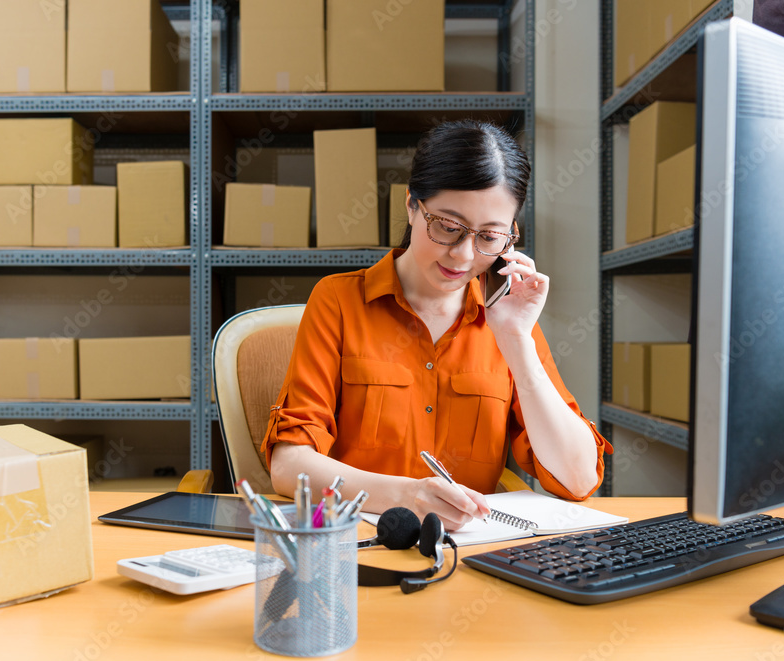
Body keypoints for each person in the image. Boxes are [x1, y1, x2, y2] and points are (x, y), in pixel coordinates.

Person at [260, 120, 612, 531]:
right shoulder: (338, 301)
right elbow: (288, 465)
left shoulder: (509, 320)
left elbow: (579, 479)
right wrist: (405, 496)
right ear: (412, 205)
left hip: (474, 557)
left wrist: (516, 341)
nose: (463, 256)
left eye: (490, 236)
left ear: (511, 237)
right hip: (361, 545)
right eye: (447, 227)